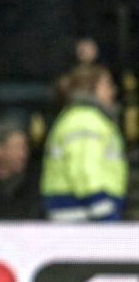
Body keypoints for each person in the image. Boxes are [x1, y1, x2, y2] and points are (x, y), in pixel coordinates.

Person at [41, 64, 128, 221]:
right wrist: (103, 208)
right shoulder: (85, 119)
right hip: (83, 211)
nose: (113, 90)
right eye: (108, 84)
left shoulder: (83, 117)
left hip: (80, 209)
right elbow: (83, 169)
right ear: (92, 87)